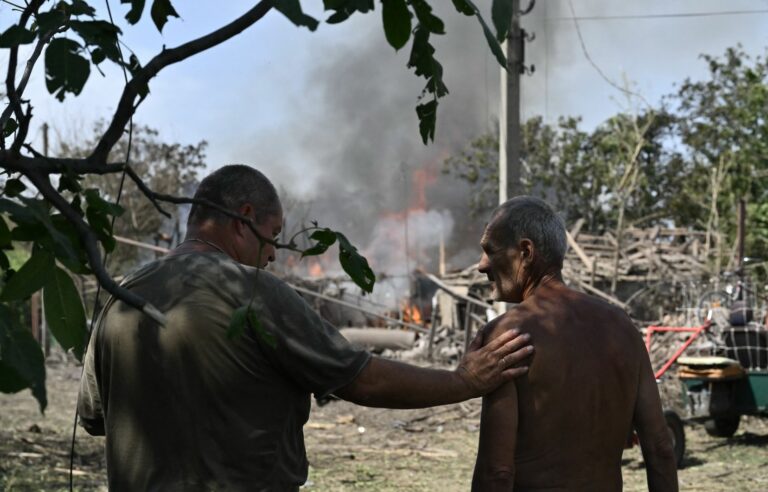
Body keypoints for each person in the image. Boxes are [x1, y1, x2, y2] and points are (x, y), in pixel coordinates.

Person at [77, 164, 534, 491]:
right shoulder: (252, 293)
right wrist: (464, 380)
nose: (274, 253)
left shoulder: (121, 296)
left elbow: (94, 418)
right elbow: (362, 380)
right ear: (244, 219)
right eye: (273, 235)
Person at [471, 196, 678, 492]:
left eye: (490, 251)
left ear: (525, 252)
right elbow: (660, 448)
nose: (481, 266)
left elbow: (497, 472)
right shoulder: (622, 328)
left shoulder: (507, 340)